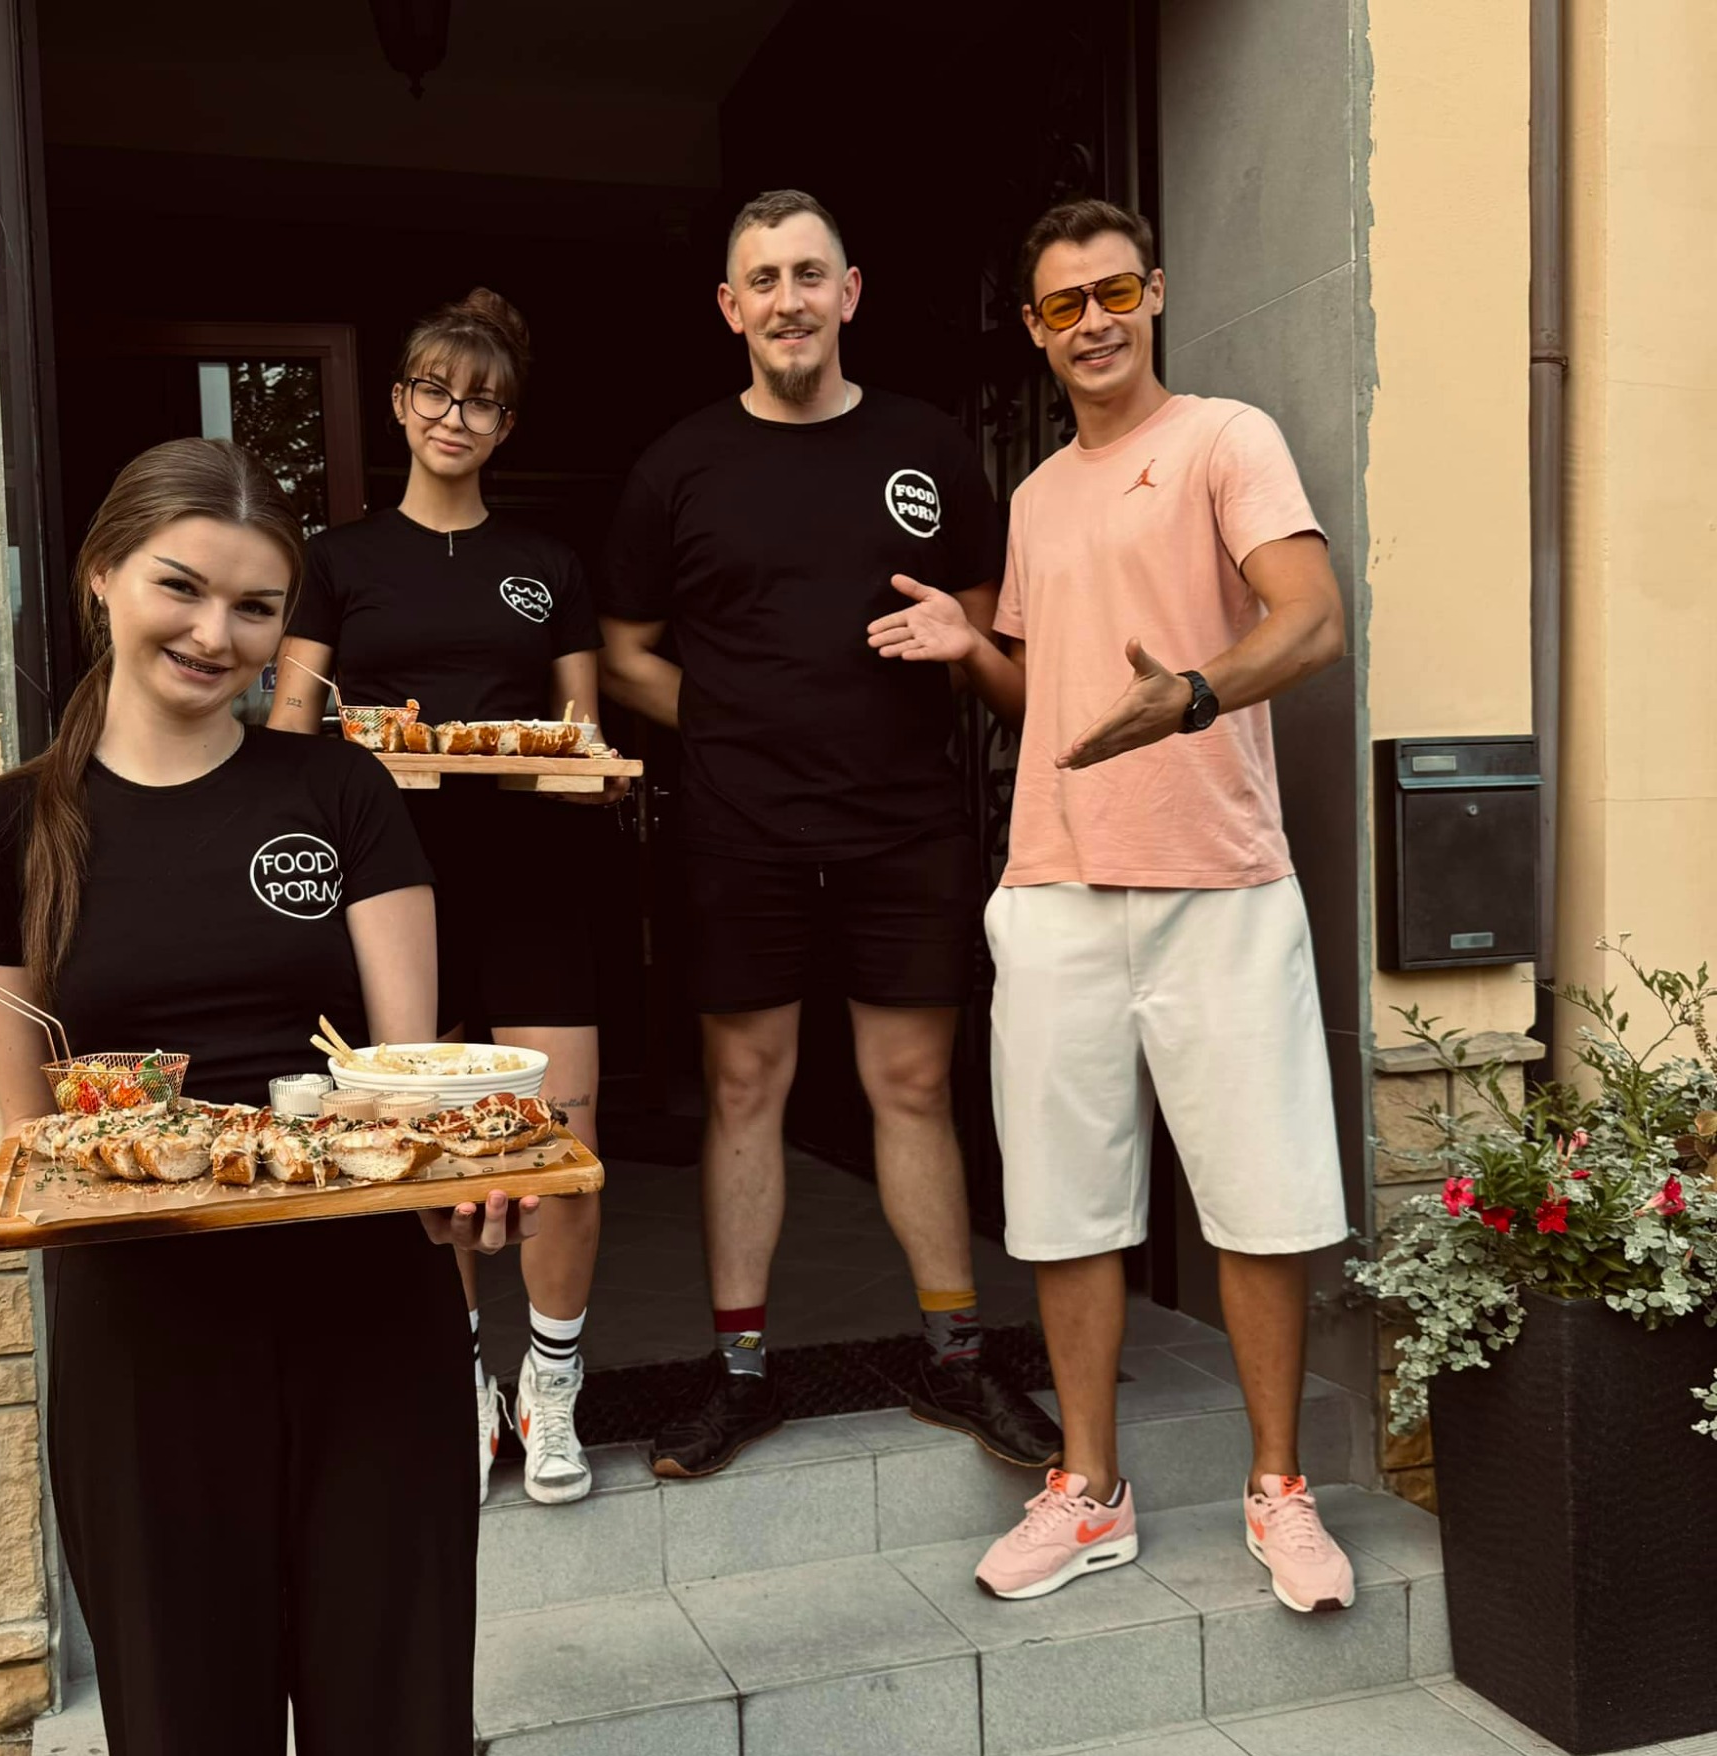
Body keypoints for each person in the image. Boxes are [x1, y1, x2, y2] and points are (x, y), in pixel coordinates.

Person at [0, 438, 516, 1756]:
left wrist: (464, 1176)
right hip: (147, 1347)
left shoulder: (340, 791)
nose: (215, 633)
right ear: (103, 579)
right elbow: (39, 1141)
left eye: (257, 608)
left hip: (369, 1330)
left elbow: (404, 1084)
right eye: (181, 588)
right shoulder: (5, 832)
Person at [867, 197, 1358, 1614]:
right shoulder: (1032, 497)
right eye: (1062, 305)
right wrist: (969, 646)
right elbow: (1053, 696)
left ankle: (1278, 1489)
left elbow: (1311, 617)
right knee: (1066, 1207)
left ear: (1155, 293)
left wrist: (1194, 693)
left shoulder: (1224, 438)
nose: (1093, 322)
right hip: (1057, 887)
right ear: (1033, 331)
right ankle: (1089, 1490)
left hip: (1221, 884)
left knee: (1258, 1198)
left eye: (1114, 292)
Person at [601, 189, 1063, 1479]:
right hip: (736, 827)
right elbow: (622, 653)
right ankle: (740, 1374)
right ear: (729, 307)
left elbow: (988, 626)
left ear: (848, 292)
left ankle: (955, 1358)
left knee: (910, 1084)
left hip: (899, 821)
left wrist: (961, 641)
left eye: (809, 273)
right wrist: (729, 716)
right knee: (743, 1088)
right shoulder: (677, 466)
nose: (788, 299)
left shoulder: (927, 445)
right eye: (763, 279)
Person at [271, 290, 614, 1509]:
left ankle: (550, 1383)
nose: (453, 416)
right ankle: (463, 1380)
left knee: (561, 1143)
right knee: (435, 1149)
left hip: (535, 878)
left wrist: (551, 764)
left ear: (506, 423)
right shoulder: (336, 560)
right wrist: (363, 767)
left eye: (480, 400)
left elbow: (582, 741)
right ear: (399, 403)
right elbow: (289, 734)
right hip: (392, 889)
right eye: (433, 391)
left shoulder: (547, 565)